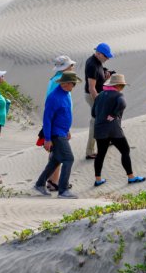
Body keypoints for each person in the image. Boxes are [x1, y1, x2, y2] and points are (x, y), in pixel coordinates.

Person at [92, 73, 145, 186]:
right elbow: (122, 104)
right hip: (114, 129)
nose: (123, 88)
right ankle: (131, 177)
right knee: (125, 151)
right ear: (118, 85)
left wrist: (103, 116)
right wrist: (112, 114)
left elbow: (93, 113)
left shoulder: (100, 95)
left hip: (99, 129)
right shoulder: (118, 95)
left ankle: (98, 180)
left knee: (100, 154)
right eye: (122, 85)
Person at [35, 71, 81, 198]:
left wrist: (67, 130)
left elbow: (63, 115)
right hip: (56, 134)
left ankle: (39, 184)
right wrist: (47, 139)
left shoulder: (66, 94)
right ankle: (63, 190)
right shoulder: (54, 97)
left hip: (62, 132)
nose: (66, 85)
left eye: (69, 83)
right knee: (68, 159)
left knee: (56, 160)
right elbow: (47, 119)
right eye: (64, 83)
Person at [42, 55, 76, 191]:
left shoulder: (58, 78)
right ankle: (53, 182)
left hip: (59, 125)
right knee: (61, 155)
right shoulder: (59, 80)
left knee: (57, 154)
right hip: (57, 125)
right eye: (70, 65)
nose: (73, 67)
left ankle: (51, 181)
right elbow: (52, 105)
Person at [84, 44, 114, 160]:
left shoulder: (97, 61)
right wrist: (98, 103)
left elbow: (97, 79)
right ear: (98, 53)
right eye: (106, 56)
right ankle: (90, 151)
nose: (107, 58)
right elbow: (92, 88)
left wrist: (105, 76)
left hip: (98, 95)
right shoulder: (92, 64)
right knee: (95, 122)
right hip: (93, 96)